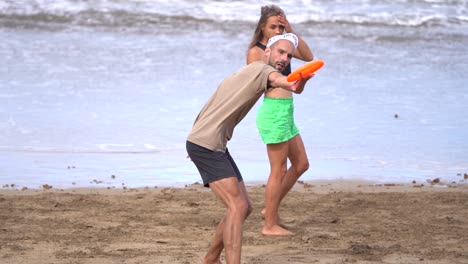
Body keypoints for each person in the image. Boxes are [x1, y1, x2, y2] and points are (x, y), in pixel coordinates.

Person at [187, 34, 313, 264]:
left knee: (244, 208)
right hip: (206, 144)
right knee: (238, 205)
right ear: (267, 52)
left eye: (288, 55)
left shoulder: (252, 72)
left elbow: (212, 102)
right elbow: (283, 81)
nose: (284, 58)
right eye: (279, 52)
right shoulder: (262, 71)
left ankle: (210, 259)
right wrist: (295, 82)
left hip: (210, 143)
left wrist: (299, 82)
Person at [247, 5, 314, 236]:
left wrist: (291, 32)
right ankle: (270, 224)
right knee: (278, 170)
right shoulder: (258, 51)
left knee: (301, 164)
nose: (277, 30)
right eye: (272, 26)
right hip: (274, 111)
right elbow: (256, 82)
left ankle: (270, 211)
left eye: (280, 26)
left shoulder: (283, 48)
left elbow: (308, 56)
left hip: (287, 110)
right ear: (262, 28)